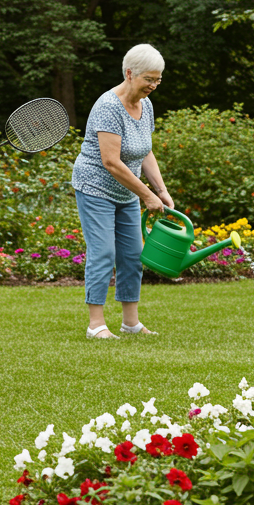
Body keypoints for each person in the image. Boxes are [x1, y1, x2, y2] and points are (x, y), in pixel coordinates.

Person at [71, 44, 173, 339]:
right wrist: (147, 195)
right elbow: (111, 161)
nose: (154, 85)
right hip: (95, 187)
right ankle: (96, 324)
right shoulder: (108, 106)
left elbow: (145, 151)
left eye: (158, 80)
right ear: (130, 74)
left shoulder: (146, 104)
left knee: (132, 254)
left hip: (127, 191)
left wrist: (160, 190)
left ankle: (131, 323)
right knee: (103, 252)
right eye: (149, 79)